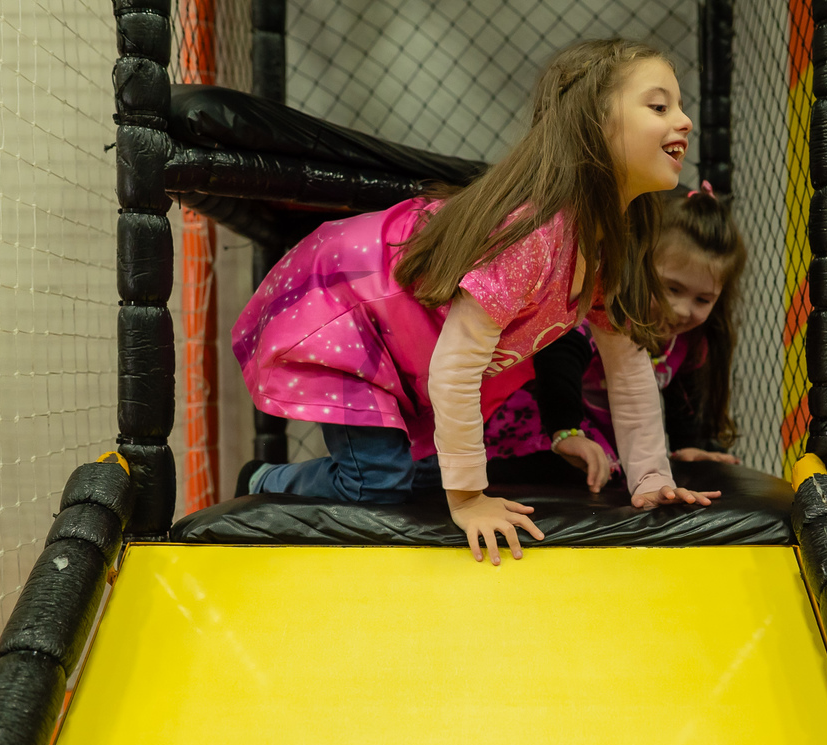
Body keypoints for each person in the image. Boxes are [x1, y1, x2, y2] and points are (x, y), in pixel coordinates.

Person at [231, 39, 720, 565]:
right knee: (376, 485)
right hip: (349, 303)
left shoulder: (606, 245)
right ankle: (264, 478)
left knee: (420, 471)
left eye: (681, 105)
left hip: (402, 343)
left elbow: (627, 368)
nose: (685, 120)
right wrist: (467, 500)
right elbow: (456, 366)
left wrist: (651, 479)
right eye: (659, 106)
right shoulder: (537, 236)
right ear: (596, 124)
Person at [484, 183, 746, 491]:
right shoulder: (605, 312)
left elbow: (681, 395)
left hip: (604, 436)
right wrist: (566, 431)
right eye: (671, 289)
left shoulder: (689, 342)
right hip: (546, 415)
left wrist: (685, 446)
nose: (681, 310)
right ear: (643, 269)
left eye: (703, 300)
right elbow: (558, 357)